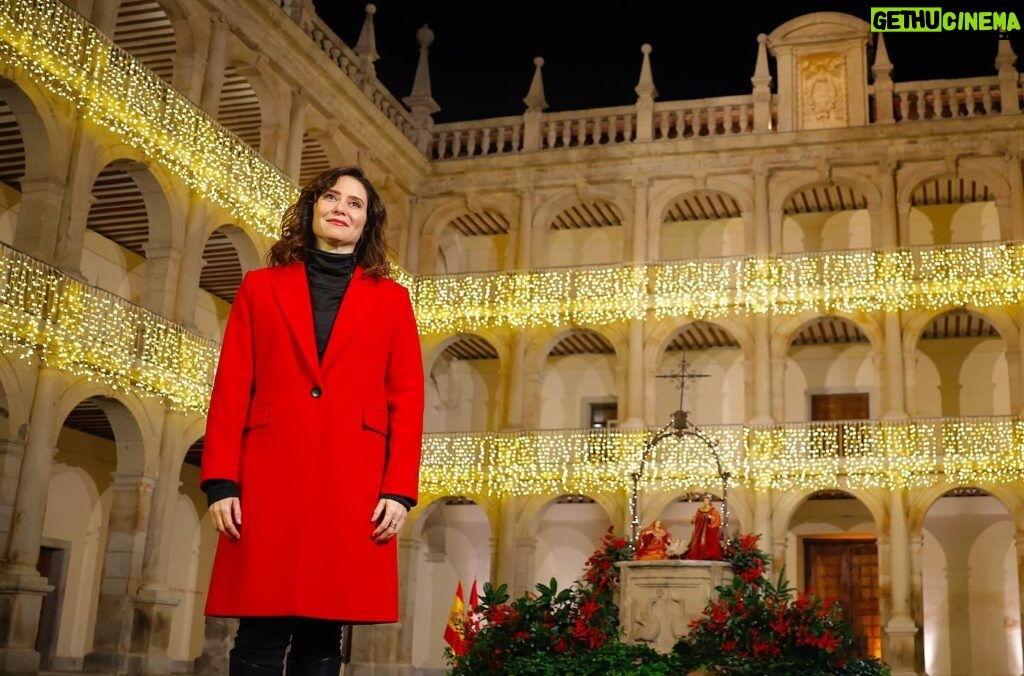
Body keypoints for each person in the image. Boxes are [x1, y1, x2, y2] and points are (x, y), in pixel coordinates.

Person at [201, 166, 425, 676]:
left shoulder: (391, 299)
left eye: (355, 203)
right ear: (313, 208)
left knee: (324, 630)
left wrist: (399, 490)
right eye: (332, 197)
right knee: (259, 627)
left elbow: (407, 399)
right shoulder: (260, 287)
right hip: (267, 473)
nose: (341, 208)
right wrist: (220, 480)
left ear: (367, 223)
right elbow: (233, 386)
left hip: (354, 479)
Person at [684, 494, 723, 561]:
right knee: (697, 543)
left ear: (709, 502)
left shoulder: (713, 511)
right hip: (700, 530)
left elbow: (717, 519)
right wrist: (694, 519)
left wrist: (711, 518)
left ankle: (708, 554)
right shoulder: (700, 510)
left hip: (708, 530)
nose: (705, 502)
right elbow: (696, 518)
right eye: (704, 501)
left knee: (708, 543)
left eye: (707, 501)